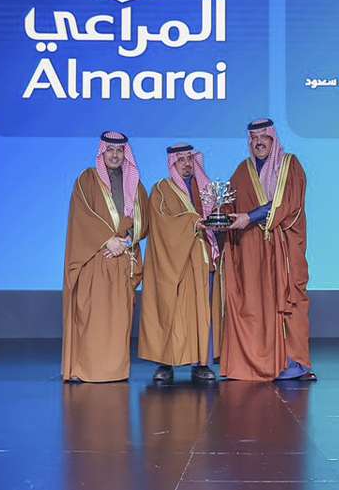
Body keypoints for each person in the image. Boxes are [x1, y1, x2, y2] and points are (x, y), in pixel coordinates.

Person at [218, 119, 314, 381]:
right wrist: (219, 216)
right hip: (253, 254)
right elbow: (230, 204)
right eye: (253, 138)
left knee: (291, 300)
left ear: (273, 139)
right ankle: (258, 360)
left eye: (263, 137)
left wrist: (249, 218)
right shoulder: (243, 170)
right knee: (255, 303)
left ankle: (294, 362)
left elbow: (287, 204)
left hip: (284, 251)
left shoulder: (290, 166)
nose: (258, 142)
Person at [62, 131, 146, 383]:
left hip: (122, 259)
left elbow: (144, 219)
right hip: (96, 259)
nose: (115, 155)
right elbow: (82, 215)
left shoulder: (135, 183)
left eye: (119, 151)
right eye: (110, 150)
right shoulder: (87, 179)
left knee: (118, 319)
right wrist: (107, 240)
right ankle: (89, 369)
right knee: (93, 318)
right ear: (102, 152)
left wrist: (126, 240)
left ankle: (114, 371)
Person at [140, 144, 220, 383]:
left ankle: (202, 364)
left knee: (201, 313)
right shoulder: (161, 189)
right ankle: (165, 364)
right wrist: (192, 222)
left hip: (201, 261)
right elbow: (161, 222)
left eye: (189, 159)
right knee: (170, 311)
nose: (186, 164)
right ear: (172, 163)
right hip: (173, 262)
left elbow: (216, 217)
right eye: (181, 159)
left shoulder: (205, 189)